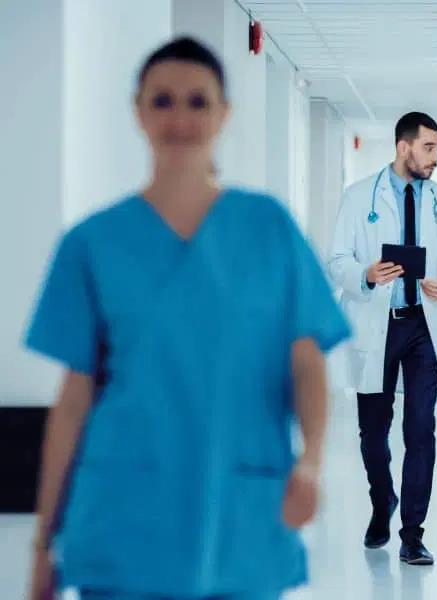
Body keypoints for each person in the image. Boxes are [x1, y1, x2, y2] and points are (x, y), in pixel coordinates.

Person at [24, 37, 350, 600]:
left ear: (224, 113)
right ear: (139, 111)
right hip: (126, 512)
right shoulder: (93, 243)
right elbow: (74, 397)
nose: (180, 118)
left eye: (198, 102)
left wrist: (312, 462)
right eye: (163, 101)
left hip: (241, 504)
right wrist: (42, 543)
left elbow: (306, 362)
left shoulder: (267, 228)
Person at [328, 112, 437, 566]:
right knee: (373, 434)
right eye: (430, 148)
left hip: (423, 326)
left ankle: (412, 534)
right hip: (377, 322)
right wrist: (365, 274)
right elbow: (337, 261)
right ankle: (381, 500)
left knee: (421, 429)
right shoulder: (358, 197)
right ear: (404, 147)